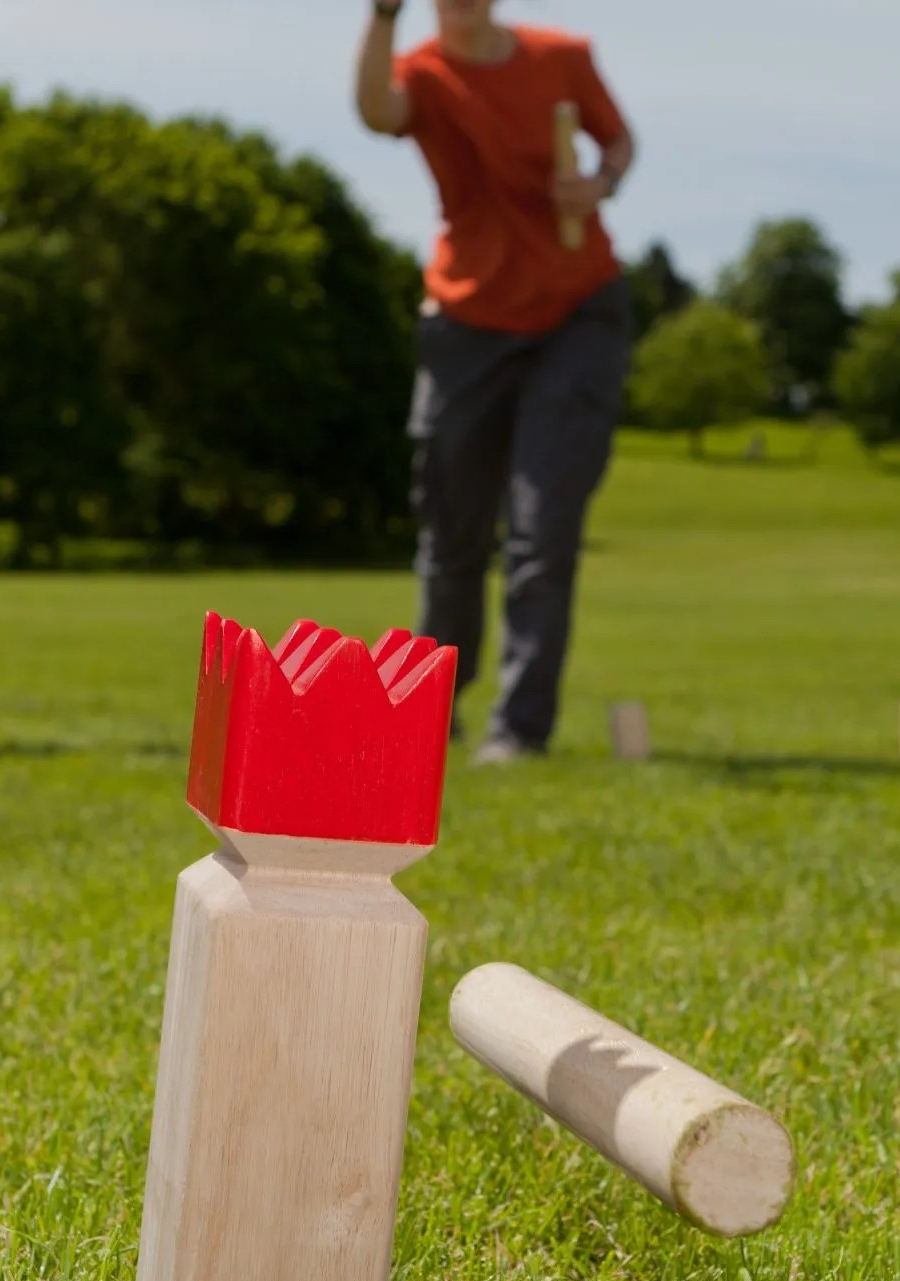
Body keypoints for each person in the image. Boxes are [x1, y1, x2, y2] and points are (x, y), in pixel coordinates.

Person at [356, 0, 637, 764]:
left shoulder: (561, 57)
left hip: (577, 314)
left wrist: (600, 182)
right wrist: (381, 16)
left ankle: (519, 730)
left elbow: (617, 140)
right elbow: (376, 111)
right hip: (467, 323)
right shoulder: (421, 73)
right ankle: (427, 718)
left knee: (543, 529)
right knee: (452, 531)